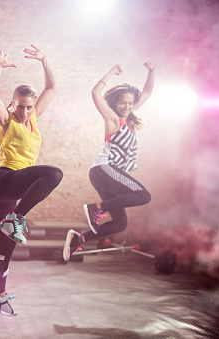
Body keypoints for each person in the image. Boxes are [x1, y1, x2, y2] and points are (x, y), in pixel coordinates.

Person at [0, 47, 63, 316]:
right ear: (13, 103)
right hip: (5, 180)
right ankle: (15, 219)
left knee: (5, 248)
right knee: (54, 174)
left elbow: (51, 87)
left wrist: (45, 60)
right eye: (20, 106)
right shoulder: (8, 120)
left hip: (13, 190)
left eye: (29, 106)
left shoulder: (34, 119)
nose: (26, 111)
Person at [63, 59, 155, 262]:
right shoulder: (113, 118)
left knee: (120, 224)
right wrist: (112, 72)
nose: (127, 106)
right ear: (115, 103)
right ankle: (97, 208)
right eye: (123, 102)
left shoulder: (129, 116)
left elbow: (147, 92)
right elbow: (95, 93)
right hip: (104, 169)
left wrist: (152, 71)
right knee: (143, 196)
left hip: (107, 175)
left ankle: (80, 238)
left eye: (130, 103)